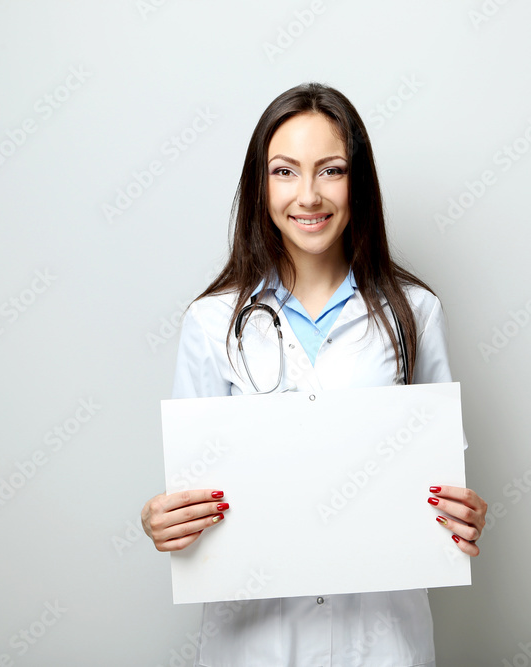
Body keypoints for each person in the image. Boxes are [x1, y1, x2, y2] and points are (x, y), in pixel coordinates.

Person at [141, 82, 487, 666]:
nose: (308, 195)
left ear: (359, 183)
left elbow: (440, 478)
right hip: (253, 641)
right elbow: (190, 495)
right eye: (284, 172)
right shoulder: (211, 322)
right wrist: (160, 519)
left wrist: (464, 514)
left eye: (330, 170)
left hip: (380, 639)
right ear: (260, 185)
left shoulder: (416, 314)